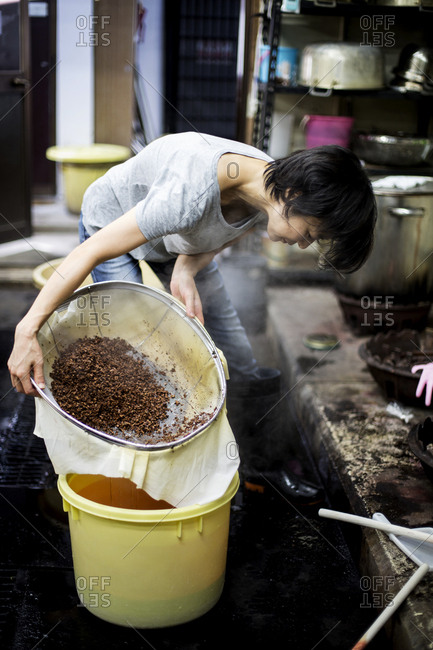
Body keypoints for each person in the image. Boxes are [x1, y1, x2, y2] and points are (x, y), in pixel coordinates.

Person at [8, 131, 377, 502]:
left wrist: (185, 269)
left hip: (178, 243)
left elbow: (225, 234)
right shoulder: (192, 189)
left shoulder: (268, 188)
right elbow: (91, 252)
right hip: (111, 225)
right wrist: (27, 329)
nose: (303, 244)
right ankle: (124, 469)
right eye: (309, 232)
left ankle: (259, 466)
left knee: (237, 352)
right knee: (134, 353)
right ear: (295, 196)